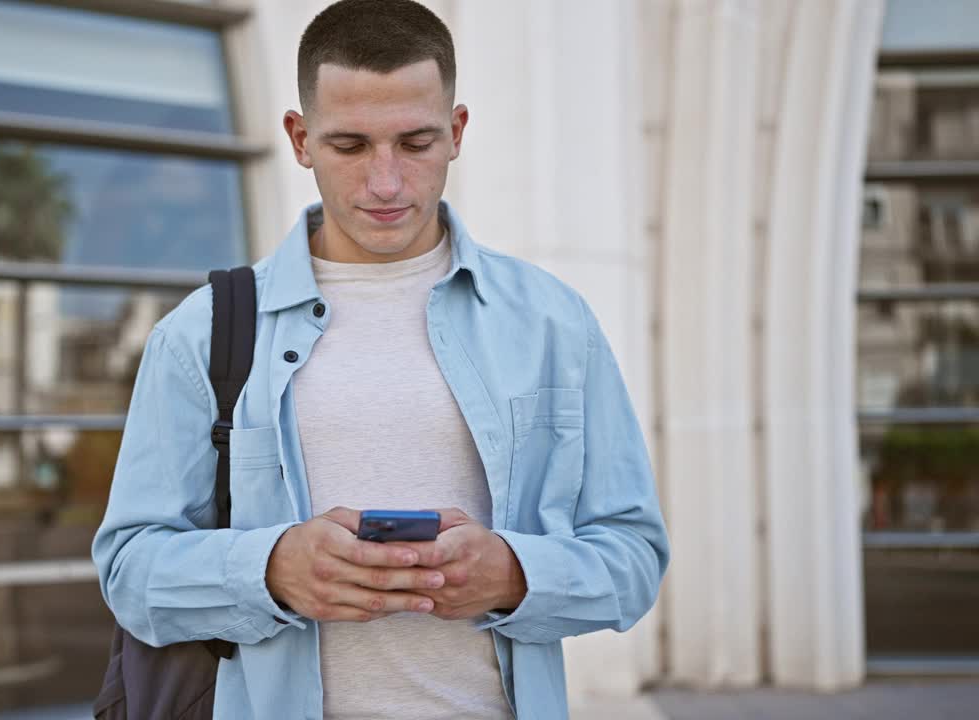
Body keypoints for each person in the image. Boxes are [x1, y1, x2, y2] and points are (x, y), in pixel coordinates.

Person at [91, 1, 669, 717]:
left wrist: (516, 575)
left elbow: (635, 556)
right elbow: (127, 570)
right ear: (300, 139)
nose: (386, 183)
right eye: (351, 146)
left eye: (416, 142)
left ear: (457, 132)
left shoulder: (554, 322)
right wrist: (268, 571)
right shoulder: (201, 333)